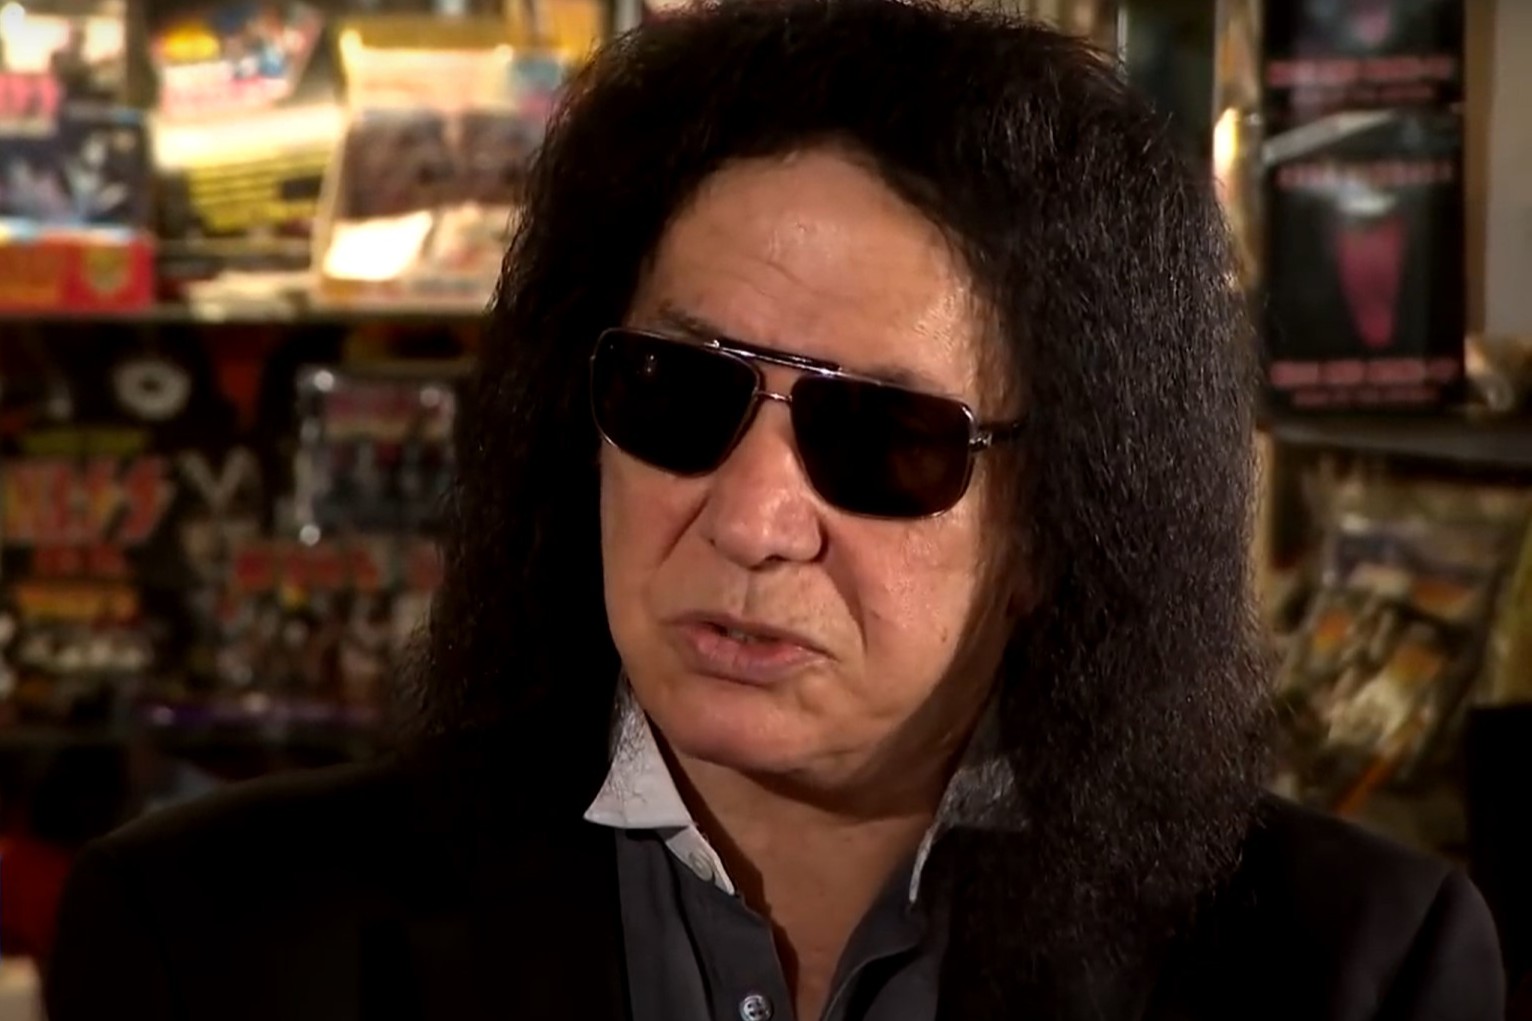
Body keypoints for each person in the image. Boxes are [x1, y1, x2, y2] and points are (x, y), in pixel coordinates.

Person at [46, 2, 1503, 1019]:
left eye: (882, 439)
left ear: (1061, 524)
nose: (751, 519)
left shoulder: (1350, 968)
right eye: (679, 393)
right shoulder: (208, 945)